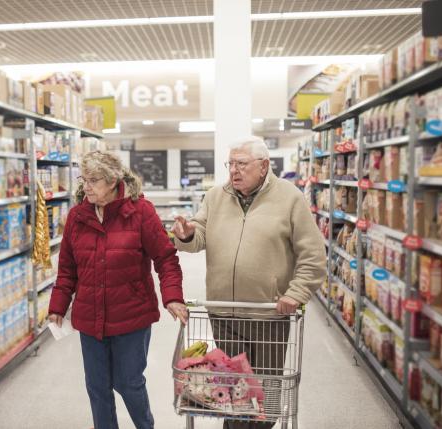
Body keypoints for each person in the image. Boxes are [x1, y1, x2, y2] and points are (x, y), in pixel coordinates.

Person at [172, 137, 326, 429]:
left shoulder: (290, 198)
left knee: (265, 397)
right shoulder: (216, 197)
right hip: (224, 314)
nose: (234, 170)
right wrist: (187, 235)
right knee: (231, 394)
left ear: (264, 165)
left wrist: (297, 293)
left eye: (242, 164)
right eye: (230, 163)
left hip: (268, 315)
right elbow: (198, 237)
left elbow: (313, 255)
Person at [48, 150, 188, 429]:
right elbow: (67, 269)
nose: (85, 186)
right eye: (83, 179)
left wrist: (172, 297)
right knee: (97, 386)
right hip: (90, 317)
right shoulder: (77, 216)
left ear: (113, 181)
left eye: (93, 180)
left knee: (129, 382)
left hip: (131, 316)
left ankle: (145, 425)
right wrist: (57, 307)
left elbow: (165, 258)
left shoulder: (140, 212)